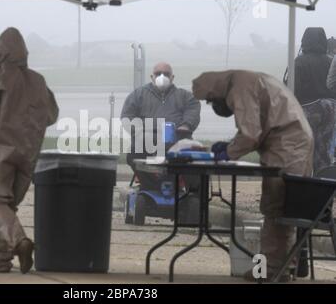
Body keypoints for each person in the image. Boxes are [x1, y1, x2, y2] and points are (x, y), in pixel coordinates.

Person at [193, 70, 314, 282]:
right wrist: (231, 145)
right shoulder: (244, 80)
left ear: (217, 93)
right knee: (279, 211)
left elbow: (250, 134)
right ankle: (280, 268)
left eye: (211, 102)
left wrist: (227, 152)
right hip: (290, 145)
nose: (213, 107)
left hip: (288, 148)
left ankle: (273, 271)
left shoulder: (239, 88)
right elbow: (254, 128)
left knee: (277, 210)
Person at [0, 27, 59, 273]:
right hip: (28, 152)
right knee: (6, 206)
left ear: (0, 53)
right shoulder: (39, 81)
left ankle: (20, 242)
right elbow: (51, 115)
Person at [121, 62, 201, 190]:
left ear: (172, 77)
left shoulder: (185, 96)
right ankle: (151, 187)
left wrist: (186, 125)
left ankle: (193, 193)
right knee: (133, 155)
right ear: (152, 76)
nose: (162, 77)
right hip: (148, 142)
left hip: (177, 141)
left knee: (195, 159)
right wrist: (139, 131)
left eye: (166, 74)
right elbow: (127, 116)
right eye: (158, 74)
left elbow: (193, 112)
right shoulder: (138, 95)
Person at [294, 27, 336, 173]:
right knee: (324, 149)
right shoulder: (330, 61)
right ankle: (323, 185)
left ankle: (303, 183)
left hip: (308, 109)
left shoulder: (299, 62)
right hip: (330, 109)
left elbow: (293, 89)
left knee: (304, 147)